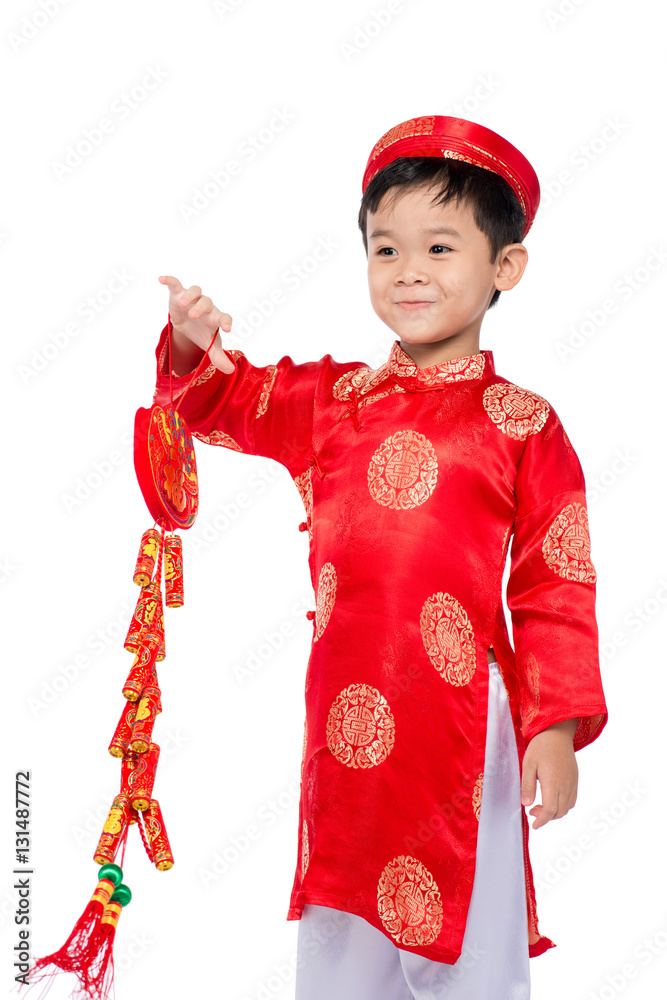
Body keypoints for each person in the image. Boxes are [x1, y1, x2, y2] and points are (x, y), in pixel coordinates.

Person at [152, 115, 608, 999]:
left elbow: (556, 581)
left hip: (464, 729)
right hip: (344, 731)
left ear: (503, 267)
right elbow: (225, 401)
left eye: (440, 247)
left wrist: (552, 726)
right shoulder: (334, 403)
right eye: (385, 249)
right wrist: (185, 344)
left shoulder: (524, 424)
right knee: (340, 936)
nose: (409, 272)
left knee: (468, 949)